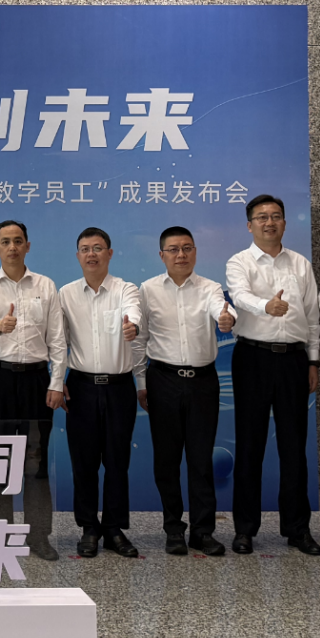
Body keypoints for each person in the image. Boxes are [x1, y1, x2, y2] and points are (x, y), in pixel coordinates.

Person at [225, 194, 320, 555]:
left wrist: (313, 362)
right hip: (253, 358)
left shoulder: (300, 264)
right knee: (250, 445)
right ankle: (244, 529)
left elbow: (312, 317)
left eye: (276, 216)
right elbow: (239, 296)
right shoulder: (239, 261)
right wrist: (266, 305)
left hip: (294, 360)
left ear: (284, 222)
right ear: (249, 225)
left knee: (294, 447)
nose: (269, 222)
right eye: (262, 217)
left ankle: (297, 529)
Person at [134, 226, 235, 556]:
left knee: (201, 460)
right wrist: (141, 383)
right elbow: (140, 340)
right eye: (174, 249)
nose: (181, 255)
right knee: (166, 460)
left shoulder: (210, 287)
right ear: (161, 255)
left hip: (203, 382)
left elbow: (221, 309)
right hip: (162, 379)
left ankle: (203, 532)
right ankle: (173, 529)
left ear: (195, 252)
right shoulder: (148, 290)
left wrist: (226, 318)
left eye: (187, 248)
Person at [0, 220, 65, 561]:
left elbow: (57, 338)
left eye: (18, 241)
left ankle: (38, 536)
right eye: (5, 241)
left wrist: (57, 382)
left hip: (37, 381)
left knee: (35, 460)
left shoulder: (45, 285)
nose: (12, 247)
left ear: (27, 246)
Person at [58, 227, 143, 558]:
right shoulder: (66, 294)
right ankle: (89, 528)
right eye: (85, 248)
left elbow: (133, 312)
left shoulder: (125, 289)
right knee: (84, 463)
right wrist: (57, 379)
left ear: (109, 253)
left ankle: (114, 528)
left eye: (97, 248)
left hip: (119, 387)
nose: (91, 254)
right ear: (77, 255)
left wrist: (132, 325)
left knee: (118, 461)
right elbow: (58, 341)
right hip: (80, 387)